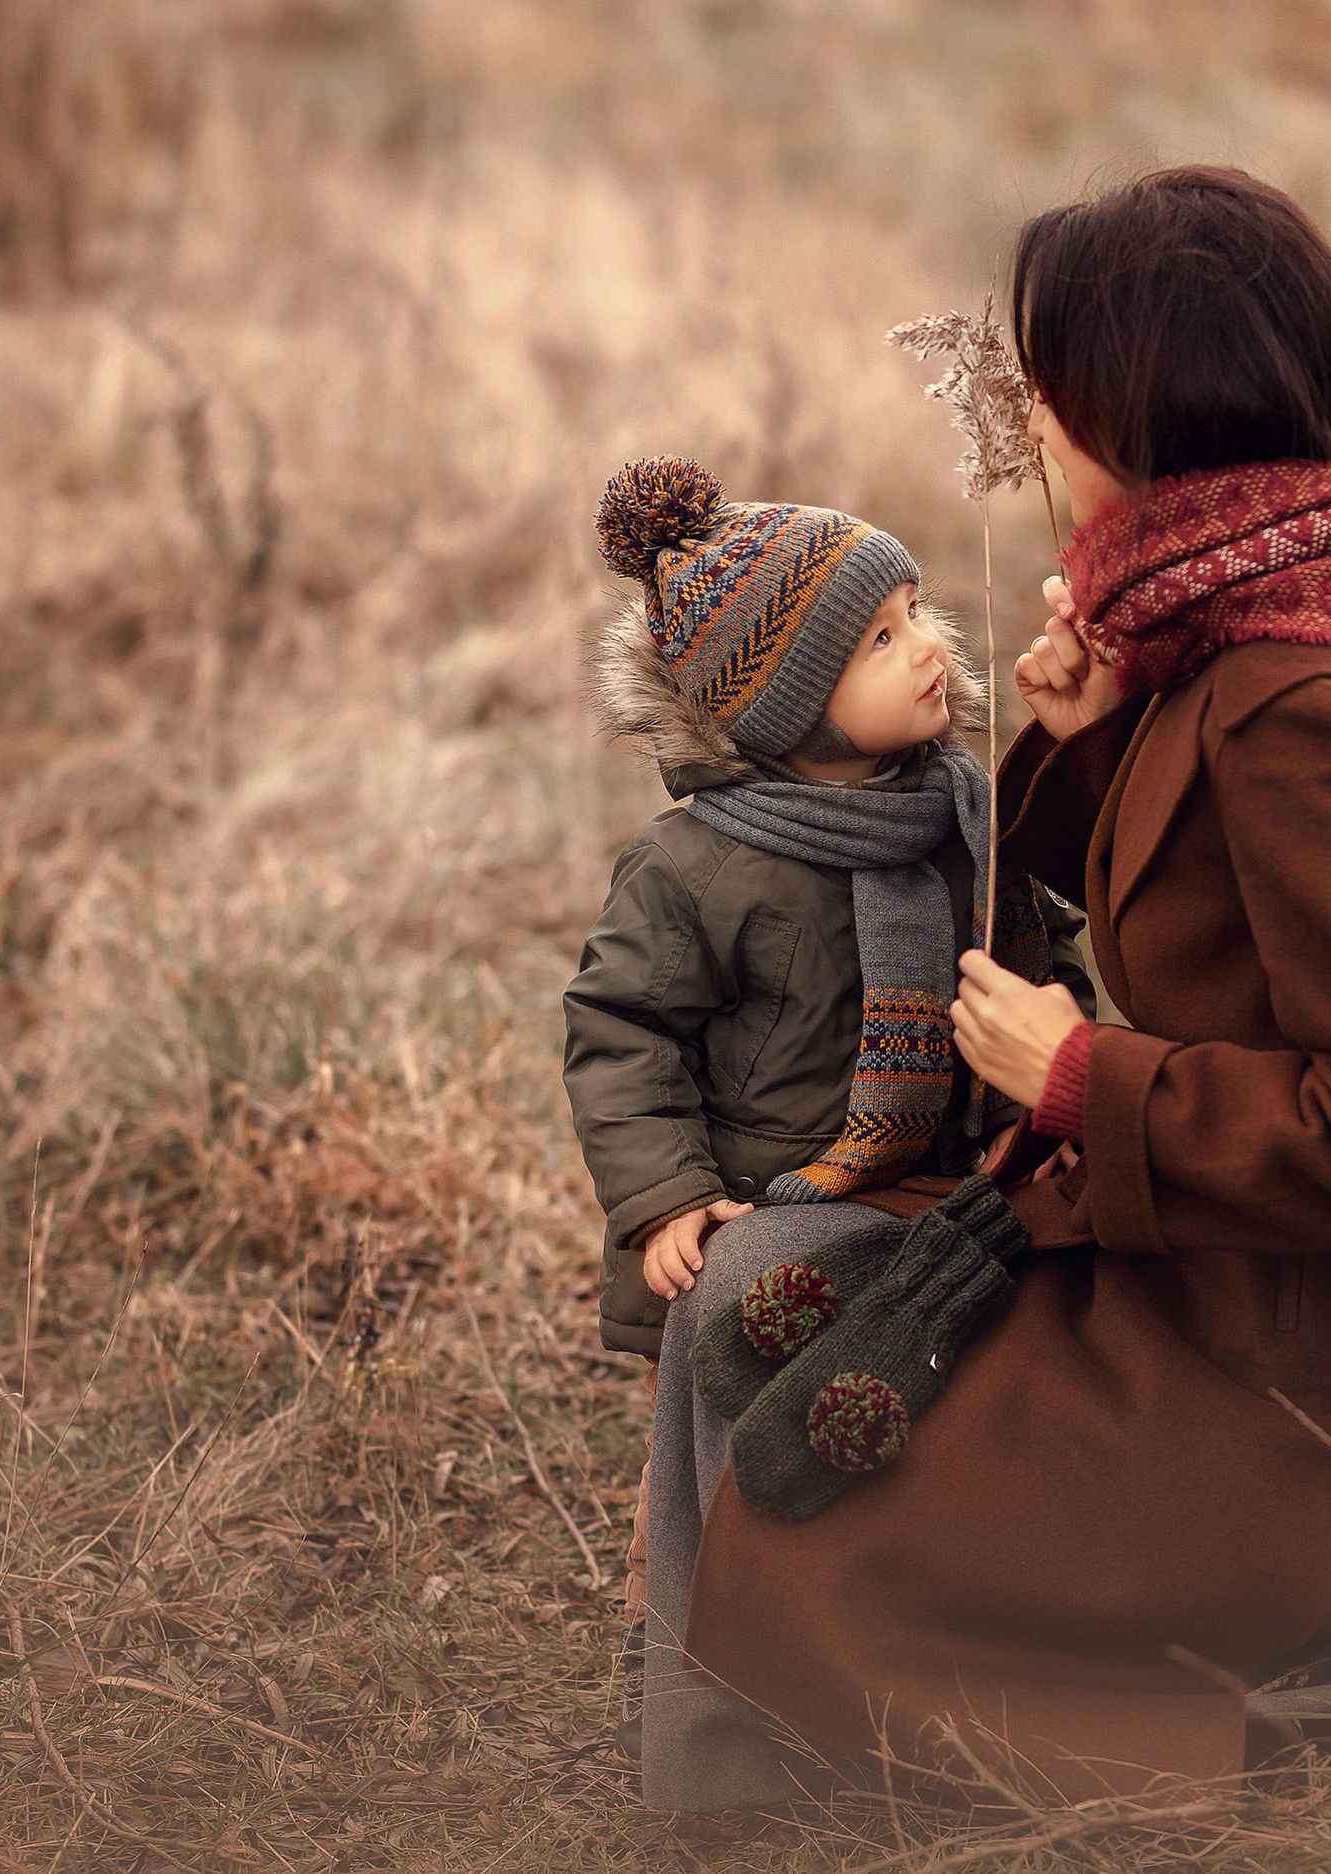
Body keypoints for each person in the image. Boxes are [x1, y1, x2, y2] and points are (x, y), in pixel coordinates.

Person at [646, 165, 1331, 1809]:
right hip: (1242, 1268)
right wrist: (1097, 727)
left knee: (821, 1496)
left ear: (1126, 410)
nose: (1033, 425)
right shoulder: (1280, 599)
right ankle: (733, 1743)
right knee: (761, 1287)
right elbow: (1217, 909)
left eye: (1046, 384)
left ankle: (787, 1756)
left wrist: (1081, 1077)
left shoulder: (1311, 703)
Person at [561, 455, 1093, 1763]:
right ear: (788, 701)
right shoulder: (697, 863)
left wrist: (1066, 1056)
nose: (926, 648)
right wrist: (664, 1195)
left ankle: (902, 1664)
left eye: (916, 613)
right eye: (878, 638)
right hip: (766, 1199)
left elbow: (1042, 942)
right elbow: (622, 1033)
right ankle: (704, 1699)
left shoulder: (962, 805)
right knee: (717, 1453)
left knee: (890, 1427)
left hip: (946, 1182)